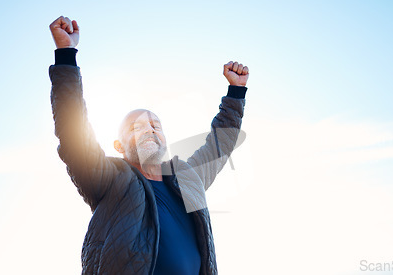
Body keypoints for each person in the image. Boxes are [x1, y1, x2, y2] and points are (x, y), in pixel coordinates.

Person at [49, 16, 249, 275]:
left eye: (155, 125)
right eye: (137, 127)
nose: (149, 130)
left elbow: (219, 147)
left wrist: (236, 92)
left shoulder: (187, 178)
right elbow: (72, 131)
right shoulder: (109, 178)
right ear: (119, 146)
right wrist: (66, 53)